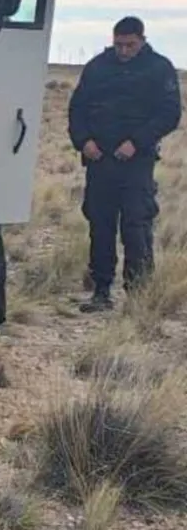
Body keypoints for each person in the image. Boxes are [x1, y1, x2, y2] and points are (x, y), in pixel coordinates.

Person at [67, 16, 182, 311]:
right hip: (100, 160)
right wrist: (84, 141)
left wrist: (137, 142)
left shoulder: (159, 68)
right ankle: (101, 290)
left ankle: (139, 293)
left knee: (136, 224)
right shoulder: (97, 67)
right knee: (101, 225)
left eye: (129, 45)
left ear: (142, 40)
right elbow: (77, 109)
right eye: (118, 44)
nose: (123, 50)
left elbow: (169, 114)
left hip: (136, 163)